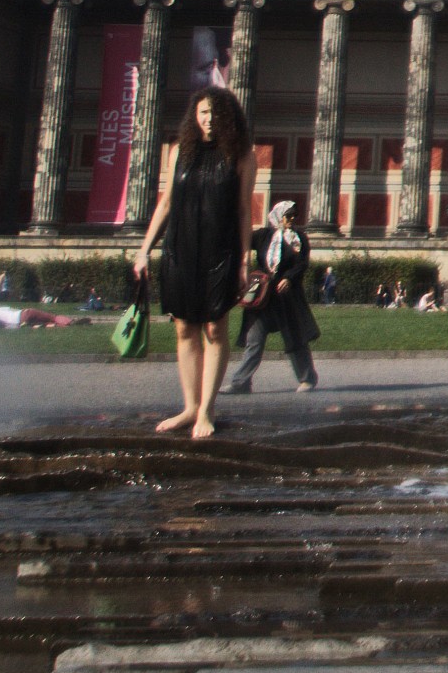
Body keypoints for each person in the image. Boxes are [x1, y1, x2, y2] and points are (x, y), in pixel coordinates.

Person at [133, 87, 256, 439]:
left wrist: (244, 262)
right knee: (184, 329)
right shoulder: (179, 152)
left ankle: (207, 409)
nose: (209, 119)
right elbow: (166, 204)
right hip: (180, 249)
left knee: (215, 329)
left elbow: (245, 210)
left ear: (228, 118)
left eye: (216, 113)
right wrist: (144, 250)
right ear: (194, 116)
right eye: (203, 112)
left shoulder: (242, 156)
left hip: (220, 251)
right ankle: (189, 407)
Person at [226, 202, 319, 395]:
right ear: (278, 216)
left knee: (295, 339)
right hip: (262, 298)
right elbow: (241, 241)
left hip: (287, 298)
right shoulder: (263, 236)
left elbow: (302, 264)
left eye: (294, 215)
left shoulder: (299, 238)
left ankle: (307, 379)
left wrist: (289, 278)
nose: (292, 219)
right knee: (254, 340)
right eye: (288, 215)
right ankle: (241, 382)